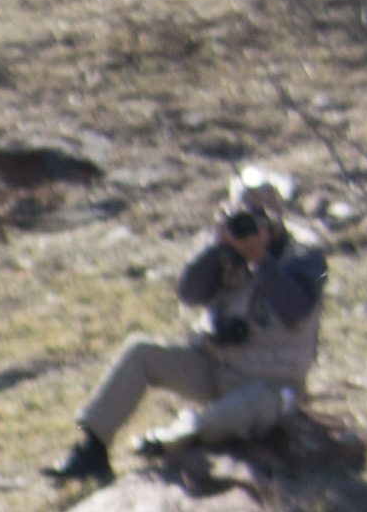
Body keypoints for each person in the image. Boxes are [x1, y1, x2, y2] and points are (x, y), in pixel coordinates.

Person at [61, 166, 327, 488]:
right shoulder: (226, 244)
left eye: (260, 213)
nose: (251, 224)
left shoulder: (307, 252)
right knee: (141, 352)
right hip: (218, 369)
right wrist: (218, 248)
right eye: (245, 212)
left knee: (234, 413)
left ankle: (176, 436)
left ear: (278, 213)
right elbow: (189, 293)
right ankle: (92, 449)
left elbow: (294, 311)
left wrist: (261, 260)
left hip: (271, 384)